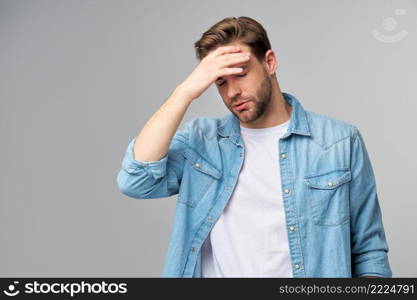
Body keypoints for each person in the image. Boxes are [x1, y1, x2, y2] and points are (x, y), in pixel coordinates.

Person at [117, 16, 392, 278]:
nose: (231, 92)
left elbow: (369, 252)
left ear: (269, 62)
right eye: (220, 82)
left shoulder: (339, 142)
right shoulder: (202, 140)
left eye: (240, 74)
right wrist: (185, 91)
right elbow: (136, 180)